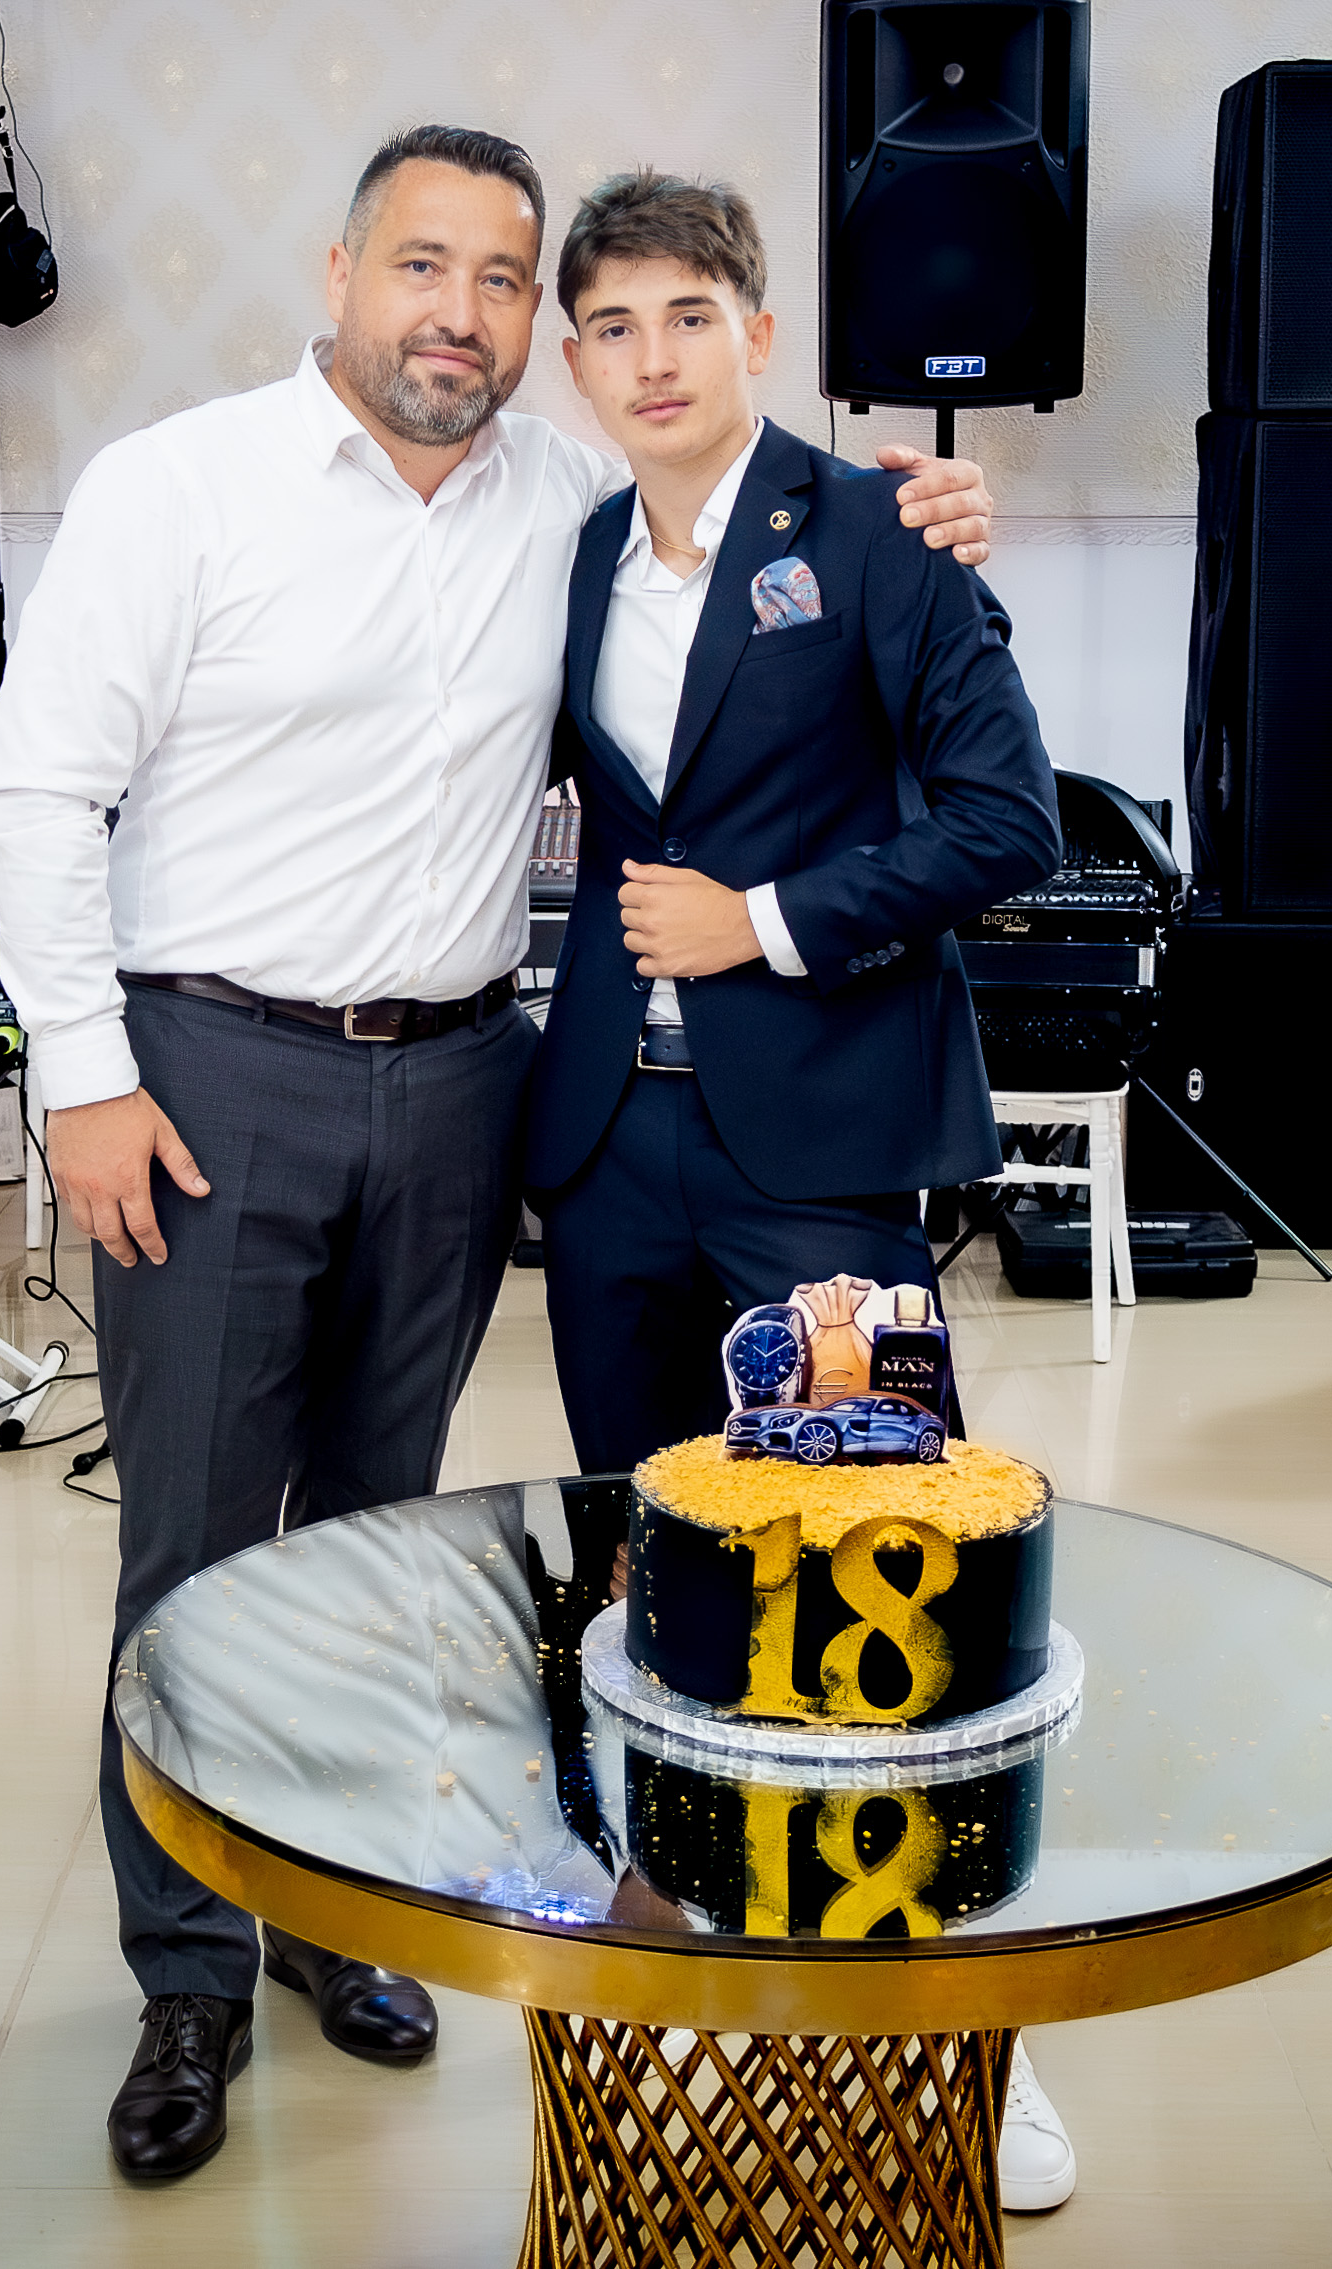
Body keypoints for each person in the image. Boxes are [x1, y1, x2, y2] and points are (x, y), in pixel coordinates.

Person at [0, 124, 994, 2184]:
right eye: (424, 265)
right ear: (340, 272)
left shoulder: (567, 503)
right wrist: (79, 1074)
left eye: (506, 282)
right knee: (193, 1548)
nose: (463, 313)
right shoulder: (178, 485)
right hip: (206, 1072)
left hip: (458, 1085)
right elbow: (35, 792)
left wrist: (931, 506)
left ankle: (333, 1905)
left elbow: (767, 557)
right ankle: (187, 1971)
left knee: (382, 1540)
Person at [516, 170, 1078, 2209]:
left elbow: (1007, 818)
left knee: (878, 1578)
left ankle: (959, 2024)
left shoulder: (880, 533)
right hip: (608, 1145)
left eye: (687, 312)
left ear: (756, 327)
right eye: (610, 325)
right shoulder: (572, 554)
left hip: (819, 1148)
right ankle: (679, 1945)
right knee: (649, 1565)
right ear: (574, 362)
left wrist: (756, 921)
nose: (650, 356)